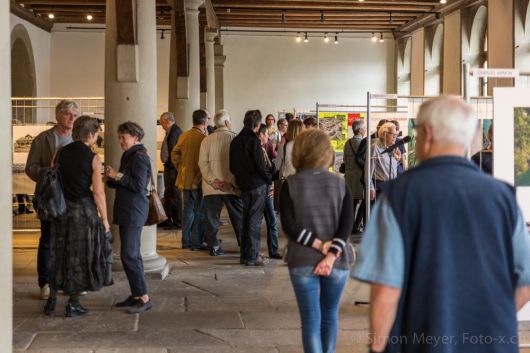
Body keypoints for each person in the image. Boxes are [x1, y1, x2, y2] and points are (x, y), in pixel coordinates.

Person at [352, 96, 530, 353]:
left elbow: (387, 290)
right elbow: (525, 282)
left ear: (428, 134)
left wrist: (377, 348)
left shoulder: (398, 197)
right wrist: (490, 319)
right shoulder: (503, 198)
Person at [280, 128, 353, 353]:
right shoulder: (341, 184)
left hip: (302, 260)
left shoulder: (290, 184)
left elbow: (289, 226)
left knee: (311, 320)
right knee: (330, 316)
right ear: (327, 152)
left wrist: (317, 245)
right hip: (338, 263)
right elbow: (346, 225)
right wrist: (330, 255)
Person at [45, 116, 110, 317]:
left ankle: (52, 299)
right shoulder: (93, 158)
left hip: (61, 210)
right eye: (96, 134)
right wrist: (105, 219)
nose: (96, 138)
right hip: (82, 212)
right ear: (90, 135)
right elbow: (98, 192)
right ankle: (73, 303)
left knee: (59, 252)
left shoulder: (60, 153)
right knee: (78, 257)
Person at [25, 99, 79, 300]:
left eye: (75, 115)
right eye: (68, 114)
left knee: (69, 240)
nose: (72, 118)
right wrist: (48, 173)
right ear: (58, 116)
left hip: (71, 197)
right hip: (49, 197)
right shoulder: (43, 139)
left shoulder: (78, 139)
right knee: (47, 240)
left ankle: (66, 279)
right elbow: (30, 167)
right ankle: (45, 282)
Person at [105, 121, 153, 314]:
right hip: (128, 210)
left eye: (123, 137)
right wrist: (111, 179)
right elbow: (126, 182)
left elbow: (139, 186)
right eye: (119, 137)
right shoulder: (129, 155)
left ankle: (143, 297)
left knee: (129, 255)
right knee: (132, 254)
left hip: (134, 211)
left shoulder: (140, 157)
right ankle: (136, 295)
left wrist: (116, 176)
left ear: (135, 137)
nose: (120, 141)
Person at [230, 110, 273, 266]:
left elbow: (232, 167)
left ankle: (245, 255)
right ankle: (252, 256)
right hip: (256, 185)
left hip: (243, 185)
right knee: (254, 221)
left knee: (246, 220)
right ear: (257, 124)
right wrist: (269, 179)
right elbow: (260, 166)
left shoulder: (235, 141)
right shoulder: (253, 140)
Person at [198, 109, 244, 256]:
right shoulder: (234, 138)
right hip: (230, 187)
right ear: (226, 122)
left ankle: (214, 247)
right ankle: (244, 244)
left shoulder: (206, 140)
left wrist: (213, 181)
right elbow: (238, 164)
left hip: (211, 187)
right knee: (238, 217)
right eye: (229, 121)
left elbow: (202, 164)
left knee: (212, 218)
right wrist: (228, 183)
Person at [171, 110, 207, 250]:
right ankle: (195, 241)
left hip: (185, 179)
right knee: (199, 212)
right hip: (198, 180)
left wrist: (181, 167)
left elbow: (174, 153)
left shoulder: (184, 136)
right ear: (204, 122)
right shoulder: (203, 138)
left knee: (187, 212)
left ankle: (185, 241)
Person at [257, 124, 281, 259]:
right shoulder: (257, 149)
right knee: (259, 221)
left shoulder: (266, 147)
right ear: (260, 134)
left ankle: (274, 249)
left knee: (272, 220)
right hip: (261, 190)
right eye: (266, 134)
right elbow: (264, 171)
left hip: (267, 189)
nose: (268, 137)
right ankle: (256, 250)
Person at [159, 112, 183, 229]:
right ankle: (168, 219)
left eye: (161, 122)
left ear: (167, 121)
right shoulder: (171, 131)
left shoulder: (175, 132)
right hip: (169, 168)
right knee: (169, 194)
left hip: (172, 169)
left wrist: (170, 165)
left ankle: (177, 221)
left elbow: (174, 153)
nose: (161, 124)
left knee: (174, 195)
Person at [369, 122, 402, 199]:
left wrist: (398, 159)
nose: (395, 137)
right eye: (393, 134)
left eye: (396, 135)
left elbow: (389, 169)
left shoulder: (391, 148)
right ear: (384, 134)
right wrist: (370, 188)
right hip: (380, 189)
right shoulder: (375, 148)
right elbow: (368, 172)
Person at [343, 120, 365, 234]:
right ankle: (355, 225)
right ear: (360, 130)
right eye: (364, 128)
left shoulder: (347, 142)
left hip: (348, 175)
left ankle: (351, 226)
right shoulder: (362, 143)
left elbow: (344, 160)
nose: (365, 130)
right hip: (359, 175)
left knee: (352, 202)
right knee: (364, 200)